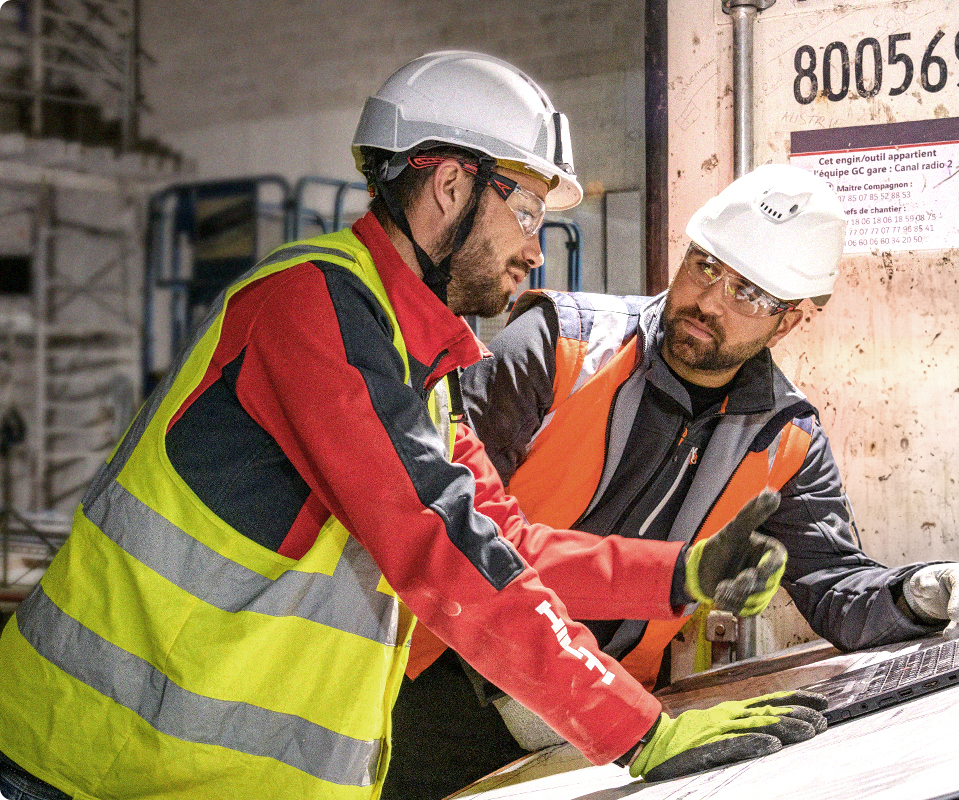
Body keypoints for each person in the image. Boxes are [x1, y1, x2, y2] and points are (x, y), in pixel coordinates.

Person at [0, 53, 830, 800]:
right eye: (528, 212)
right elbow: (441, 548)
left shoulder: (415, 362)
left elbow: (506, 545)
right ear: (452, 187)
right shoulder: (314, 308)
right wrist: (637, 733)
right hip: (82, 763)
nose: (536, 252)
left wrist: (684, 574)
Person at [388, 162, 959, 799]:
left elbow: (835, 587)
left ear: (788, 321)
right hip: (440, 691)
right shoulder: (557, 346)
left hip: (598, 729)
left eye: (748, 294)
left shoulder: (785, 438)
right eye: (706, 266)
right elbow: (454, 533)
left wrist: (915, 596)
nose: (709, 302)